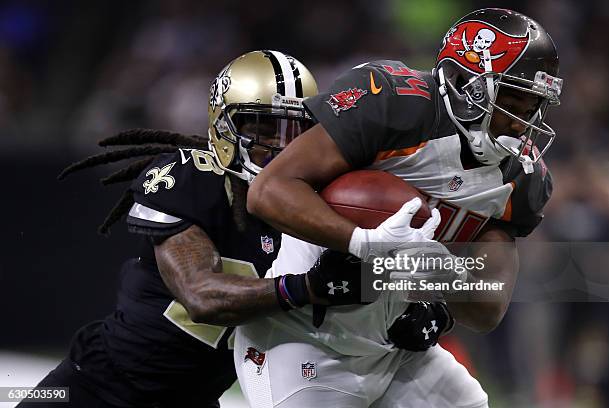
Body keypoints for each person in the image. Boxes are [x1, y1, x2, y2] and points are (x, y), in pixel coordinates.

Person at [237, 8, 563, 407]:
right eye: (514, 98)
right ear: (466, 84)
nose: (522, 122)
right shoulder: (393, 103)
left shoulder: (520, 175)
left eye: (533, 106)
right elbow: (268, 191)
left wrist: (439, 284)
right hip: (302, 334)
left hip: (394, 346)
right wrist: (364, 242)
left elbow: (487, 307)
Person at [19, 50, 376, 408]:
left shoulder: (319, 202)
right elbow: (201, 297)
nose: (280, 146)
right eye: (263, 128)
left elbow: (377, 269)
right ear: (224, 127)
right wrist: (306, 287)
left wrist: (414, 308)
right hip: (99, 389)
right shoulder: (192, 178)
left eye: (293, 131)